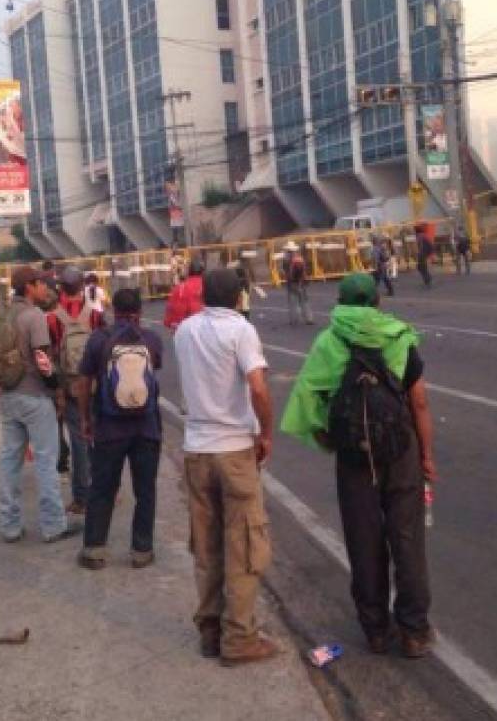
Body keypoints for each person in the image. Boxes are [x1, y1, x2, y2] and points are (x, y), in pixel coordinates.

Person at [281, 273, 436, 657]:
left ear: (341, 301)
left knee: (363, 540)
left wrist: (331, 441)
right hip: (401, 453)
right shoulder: (399, 337)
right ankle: (414, 631)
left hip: (355, 457)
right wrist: (426, 457)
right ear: (377, 302)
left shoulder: (328, 342)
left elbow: (309, 402)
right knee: (407, 538)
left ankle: (376, 631)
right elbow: (418, 403)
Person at [173, 268, 279, 666]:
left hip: (197, 447)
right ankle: (240, 637)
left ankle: (210, 630)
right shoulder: (240, 330)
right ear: (239, 298)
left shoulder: (185, 330)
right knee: (244, 544)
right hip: (234, 448)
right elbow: (257, 387)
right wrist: (266, 432)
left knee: (206, 543)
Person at [75, 288, 164, 570]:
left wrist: (86, 419)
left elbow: (84, 384)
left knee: (102, 488)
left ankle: (94, 550)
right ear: (140, 311)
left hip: (110, 429)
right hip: (146, 429)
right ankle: (142, 551)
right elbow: (152, 373)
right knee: (145, 490)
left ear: (113, 310)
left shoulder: (99, 340)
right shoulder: (151, 340)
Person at [0, 267, 80, 544]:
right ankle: (53, 525)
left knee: (10, 461)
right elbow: (43, 360)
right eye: (42, 284)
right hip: (34, 396)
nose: (46, 289)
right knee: (46, 460)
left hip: (8, 397)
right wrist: (57, 389)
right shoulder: (33, 316)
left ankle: (9, 525)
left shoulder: (5, 314)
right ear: (30, 287)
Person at [47, 266, 104, 514]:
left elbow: (49, 356)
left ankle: (81, 498)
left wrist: (56, 391)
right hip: (94, 384)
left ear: (60, 287)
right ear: (82, 286)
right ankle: (104, 490)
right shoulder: (94, 315)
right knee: (100, 439)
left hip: (69, 387)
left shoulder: (52, 318)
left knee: (79, 441)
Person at [164, 258, 205, 330]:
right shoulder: (209, 285)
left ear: (189, 271)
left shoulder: (180, 288)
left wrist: (171, 323)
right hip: (205, 328)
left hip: (185, 329)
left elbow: (172, 310)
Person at [281, 242, 314, 326]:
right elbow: (303, 272)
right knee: (304, 301)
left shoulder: (286, 260)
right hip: (301, 283)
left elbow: (285, 272)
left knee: (293, 302)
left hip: (292, 282)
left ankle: (294, 319)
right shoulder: (299, 259)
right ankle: (308, 318)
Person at [413, 222, 434, 288]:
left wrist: (419, 253)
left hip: (422, 254)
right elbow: (429, 244)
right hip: (424, 253)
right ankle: (427, 278)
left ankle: (427, 279)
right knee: (421, 267)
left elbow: (421, 246)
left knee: (421, 267)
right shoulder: (423, 235)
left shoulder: (419, 236)